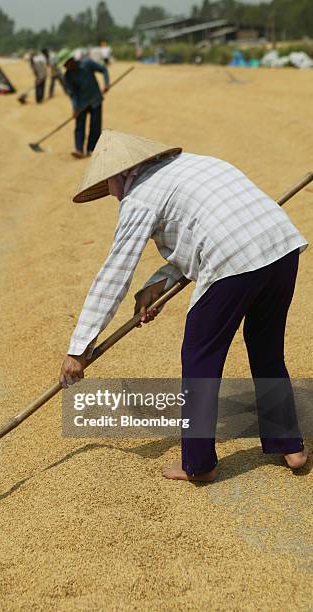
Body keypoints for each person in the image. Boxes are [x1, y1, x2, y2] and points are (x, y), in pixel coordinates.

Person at [59, 129, 308, 481]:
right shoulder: (196, 164)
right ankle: (290, 446)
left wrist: (79, 348)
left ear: (119, 174)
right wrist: (155, 286)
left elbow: (114, 273)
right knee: (266, 348)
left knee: (200, 356)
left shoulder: (139, 197)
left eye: (108, 185)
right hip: (280, 248)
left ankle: (199, 463)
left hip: (233, 261)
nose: (111, 194)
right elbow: (194, 237)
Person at [60, 49, 110, 159]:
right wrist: (75, 108)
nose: (65, 67)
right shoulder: (67, 76)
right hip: (81, 104)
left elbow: (104, 69)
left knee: (95, 126)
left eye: (66, 64)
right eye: (64, 65)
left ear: (71, 60)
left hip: (95, 99)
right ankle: (79, 149)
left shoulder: (87, 64)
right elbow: (73, 94)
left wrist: (106, 83)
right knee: (79, 126)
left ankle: (91, 149)